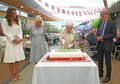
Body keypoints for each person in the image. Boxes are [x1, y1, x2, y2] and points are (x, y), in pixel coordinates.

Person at [1, 7, 25, 80]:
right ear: (9, 14)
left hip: (18, 42)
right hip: (11, 42)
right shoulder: (4, 21)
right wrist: (13, 39)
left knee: (17, 59)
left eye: (15, 13)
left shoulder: (18, 21)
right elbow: (5, 32)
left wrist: (20, 39)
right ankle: (12, 74)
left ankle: (17, 73)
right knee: (11, 59)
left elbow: (20, 31)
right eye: (13, 13)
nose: (14, 15)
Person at [96, 10, 117, 83]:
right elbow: (97, 33)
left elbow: (114, 34)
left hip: (107, 44)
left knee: (108, 61)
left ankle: (108, 76)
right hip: (100, 45)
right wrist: (97, 37)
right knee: (100, 60)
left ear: (107, 15)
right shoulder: (99, 24)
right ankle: (100, 73)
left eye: (103, 16)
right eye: (101, 16)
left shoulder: (112, 23)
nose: (102, 17)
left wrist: (103, 37)